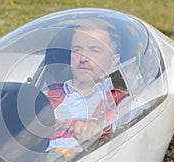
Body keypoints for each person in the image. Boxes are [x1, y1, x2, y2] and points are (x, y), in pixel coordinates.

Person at [46, 18, 126, 153]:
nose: (83, 58)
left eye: (94, 50)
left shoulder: (124, 103)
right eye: (77, 50)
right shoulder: (45, 98)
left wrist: (100, 140)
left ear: (113, 61)